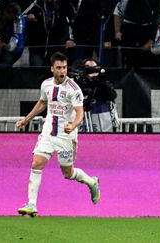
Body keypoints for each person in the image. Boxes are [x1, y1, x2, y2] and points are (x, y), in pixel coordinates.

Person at [16, 52, 101, 217]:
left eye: (64, 67)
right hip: (48, 131)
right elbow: (42, 103)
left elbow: (79, 113)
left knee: (67, 173)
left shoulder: (73, 89)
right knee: (36, 163)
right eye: (59, 68)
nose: (62, 71)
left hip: (65, 136)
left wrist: (73, 125)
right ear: (52, 69)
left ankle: (92, 182)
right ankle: (32, 205)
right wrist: (26, 120)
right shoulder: (46, 85)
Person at [76, 58, 118, 132]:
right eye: (88, 68)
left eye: (94, 68)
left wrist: (100, 83)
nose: (91, 71)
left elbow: (112, 95)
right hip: (82, 123)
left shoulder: (103, 83)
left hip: (103, 124)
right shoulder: (77, 85)